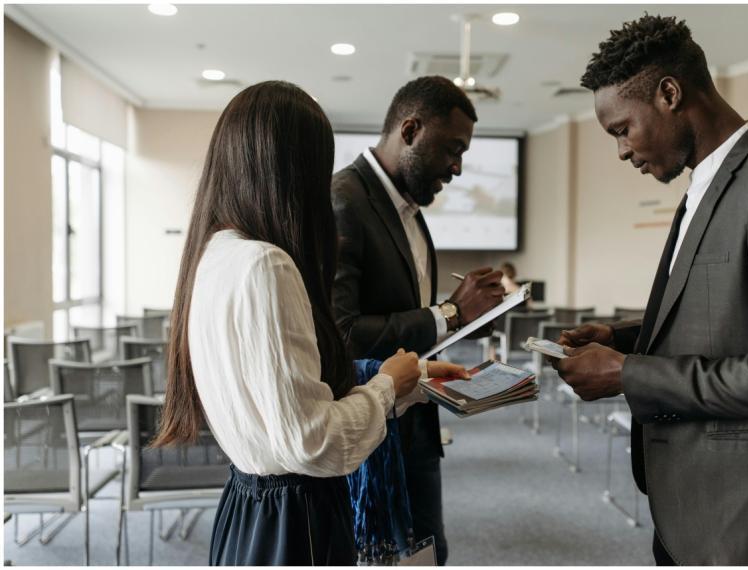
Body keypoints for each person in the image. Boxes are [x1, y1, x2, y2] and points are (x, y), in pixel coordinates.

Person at [552, 14, 748, 565]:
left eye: (621, 130)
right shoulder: (705, 185)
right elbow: (725, 314)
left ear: (669, 93)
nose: (621, 151)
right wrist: (623, 338)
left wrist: (626, 373)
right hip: (689, 509)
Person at [149, 81, 467, 566]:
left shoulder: (216, 253)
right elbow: (314, 441)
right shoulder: (267, 265)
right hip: (297, 518)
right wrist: (386, 385)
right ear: (294, 172)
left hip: (247, 504)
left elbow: (282, 404)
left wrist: (414, 381)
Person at [331, 75, 505, 565]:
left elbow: (404, 312)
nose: (458, 167)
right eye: (452, 149)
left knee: (429, 555)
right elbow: (343, 334)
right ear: (409, 130)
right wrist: (448, 312)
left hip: (417, 428)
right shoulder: (344, 199)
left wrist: (465, 321)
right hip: (371, 438)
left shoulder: (407, 206)